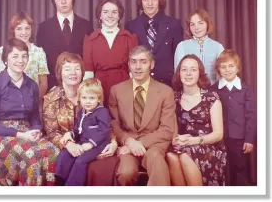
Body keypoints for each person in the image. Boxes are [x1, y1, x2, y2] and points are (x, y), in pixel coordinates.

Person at [0, 38, 59, 186]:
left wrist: (36, 130)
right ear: (5, 59)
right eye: (15, 56)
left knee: (53, 152)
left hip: (27, 132)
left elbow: (35, 118)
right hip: (2, 134)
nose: (20, 60)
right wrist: (20, 134)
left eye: (24, 56)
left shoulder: (32, 85)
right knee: (32, 156)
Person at [43, 52, 118, 186]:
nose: (73, 72)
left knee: (97, 166)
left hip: (92, 144)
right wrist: (68, 143)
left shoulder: (90, 92)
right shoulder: (51, 98)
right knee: (62, 158)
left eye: (77, 68)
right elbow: (51, 132)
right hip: (68, 144)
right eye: (67, 69)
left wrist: (113, 142)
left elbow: (104, 125)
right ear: (60, 73)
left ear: (82, 72)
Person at [108, 45, 176, 186]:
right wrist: (128, 141)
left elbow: (167, 130)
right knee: (126, 172)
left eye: (143, 62)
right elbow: (113, 124)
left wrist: (140, 143)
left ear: (151, 64)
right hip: (128, 143)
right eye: (134, 62)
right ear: (129, 65)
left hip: (154, 144)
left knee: (156, 160)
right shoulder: (116, 90)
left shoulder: (165, 92)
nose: (138, 67)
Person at [166, 54, 227, 186]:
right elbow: (169, 127)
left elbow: (218, 134)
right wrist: (175, 138)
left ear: (200, 73)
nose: (188, 73)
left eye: (193, 69)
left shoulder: (211, 98)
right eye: (184, 69)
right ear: (179, 73)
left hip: (208, 146)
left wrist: (194, 141)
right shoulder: (173, 97)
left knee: (185, 155)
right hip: (183, 144)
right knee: (171, 156)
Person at [36, 0, 93, 90]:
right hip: (53, 87)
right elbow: (41, 62)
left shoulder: (86, 25)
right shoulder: (44, 27)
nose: (63, 2)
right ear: (54, 1)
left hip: (80, 87)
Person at [211, 49, 256, 186]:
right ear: (218, 70)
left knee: (239, 169)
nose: (227, 70)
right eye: (223, 67)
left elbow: (251, 116)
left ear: (238, 68)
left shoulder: (246, 90)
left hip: (239, 139)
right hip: (220, 137)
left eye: (231, 66)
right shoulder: (213, 89)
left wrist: (249, 139)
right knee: (221, 170)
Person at [126, 0, 183, 87]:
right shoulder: (131, 26)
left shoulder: (174, 24)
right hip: (140, 84)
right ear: (141, 1)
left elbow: (178, 58)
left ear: (160, 1)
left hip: (168, 84)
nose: (150, 3)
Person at [55, 78, 111, 186]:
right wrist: (70, 134)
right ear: (80, 98)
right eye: (84, 98)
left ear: (98, 99)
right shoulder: (82, 112)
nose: (87, 101)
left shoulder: (102, 112)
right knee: (65, 154)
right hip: (82, 142)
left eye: (91, 98)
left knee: (81, 160)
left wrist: (90, 144)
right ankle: (60, 180)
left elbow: (104, 131)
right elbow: (77, 129)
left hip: (98, 145)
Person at [83, 0, 138, 104]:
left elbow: (134, 71)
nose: (110, 16)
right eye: (105, 12)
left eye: (114, 12)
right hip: (99, 88)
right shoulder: (90, 39)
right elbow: (88, 74)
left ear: (119, 16)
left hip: (124, 86)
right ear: (100, 15)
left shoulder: (129, 38)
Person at [0, 12, 49, 100]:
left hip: (32, 103)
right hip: (8, 102)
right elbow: (0, 80)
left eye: (27, 28)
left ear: (31, 30)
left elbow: (43, 84)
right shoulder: (2, 51)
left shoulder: (39, 52)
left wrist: (33, 101)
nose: (24, 32)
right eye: (19, 29)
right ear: (13, 31)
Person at [174, 8, 224, 84]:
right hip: (189, 91)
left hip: (213, 91)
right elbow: (178, 74)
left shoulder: (218, 47)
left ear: (207, 24)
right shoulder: (182, 46)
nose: (196, 28)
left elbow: (222, 75)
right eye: (192, 24)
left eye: (200, 23)